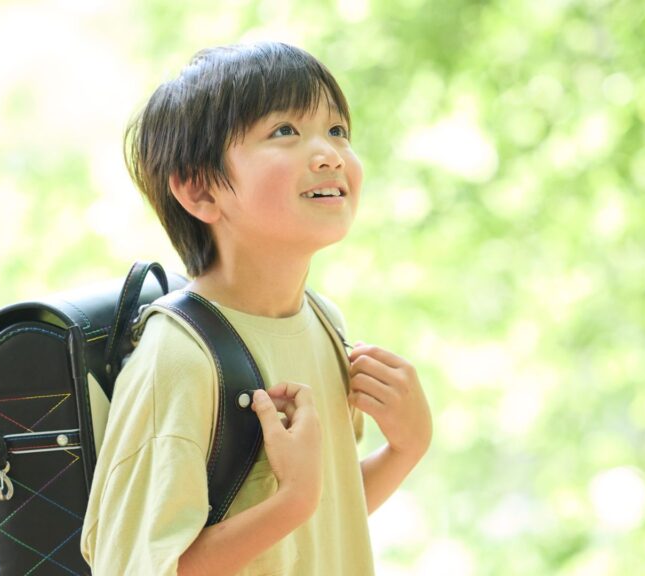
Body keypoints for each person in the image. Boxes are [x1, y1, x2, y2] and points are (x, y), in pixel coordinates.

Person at [81, 41, 432, 575]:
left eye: (337, 131)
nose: (329, 153)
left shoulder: (323, 322)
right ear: (200, 191)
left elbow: (321, 520)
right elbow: (141, 566)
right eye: (284, 132)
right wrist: (291, 500)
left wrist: (407, 448)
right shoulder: (177, 360)